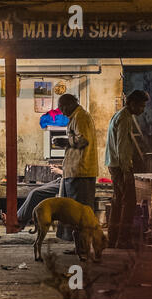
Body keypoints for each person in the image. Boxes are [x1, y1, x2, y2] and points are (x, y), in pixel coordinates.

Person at [53, 94, 98, 254]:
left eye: (62, 107)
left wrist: (66, 141)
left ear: (71, 104)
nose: (61, 111)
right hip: (76, 171)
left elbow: (83, 139)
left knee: (80, 213)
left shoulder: (81, 116)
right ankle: (80, 247)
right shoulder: (77, 116)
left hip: (81, 171)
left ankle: (84, 248)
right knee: (74, 213)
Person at [105, 89, 150, 249]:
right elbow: (122, 146)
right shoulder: (124, 118)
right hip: (121, 166)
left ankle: (113, 240)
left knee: (118, 202)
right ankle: (123, 240)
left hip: (114, 164)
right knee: (129, 203)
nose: (142, 110)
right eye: (141, 106)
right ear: (132, 103)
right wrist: (126, 170)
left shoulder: (120, 115)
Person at [0, 166, 62, 231]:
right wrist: (60, 167)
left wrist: (59, 171)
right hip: (61, 180)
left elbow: (72, 175)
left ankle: (16, 221)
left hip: (68, 183)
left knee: (35, 193)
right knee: (36, 190)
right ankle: (18, 223)